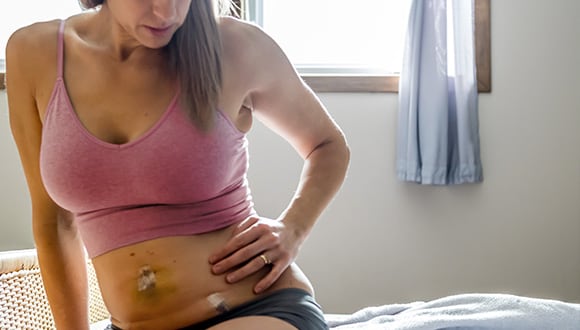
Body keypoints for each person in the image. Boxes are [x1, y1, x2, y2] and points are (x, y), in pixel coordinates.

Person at [6, 0, 349, 329]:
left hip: (257, 309)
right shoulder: (33, 55)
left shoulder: (236, 47)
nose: (166, 12)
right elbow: (54, 224)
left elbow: (328, 145)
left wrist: (294, 229)